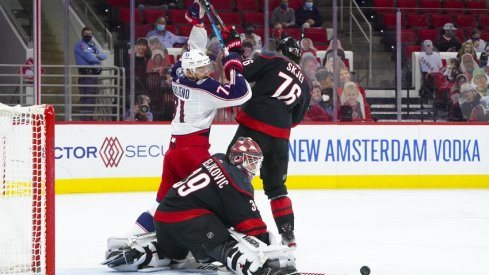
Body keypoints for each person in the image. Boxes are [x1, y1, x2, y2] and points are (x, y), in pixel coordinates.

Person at [128, 1, 253, 235]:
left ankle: (133, 236)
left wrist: (198, 23)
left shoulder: (178, 74)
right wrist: (234, 58)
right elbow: (242, 93)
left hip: (174, 152)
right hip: (193, 152)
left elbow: (192, 51)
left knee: (161, 202)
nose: (209, 71)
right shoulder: (204, 89)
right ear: (195, 72)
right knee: (220, 195)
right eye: (204, 69)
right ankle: (226, 239)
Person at [103, 138, 298, 275]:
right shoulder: (238, 183)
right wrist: (269, 249)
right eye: (252, 162)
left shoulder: (218, 158)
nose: (254, 168)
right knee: (225, 242)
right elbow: (252, 228)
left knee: (178, 253)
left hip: (163, 217)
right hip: (189, 220)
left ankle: (144, 252)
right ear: (239, 159)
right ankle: (256, 268)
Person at [223, 34, 311, 247]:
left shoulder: (273, 58)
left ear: (280, 50)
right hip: (280, 138)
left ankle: (235, 225)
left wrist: (233, 52)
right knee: (277, 188)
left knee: (231, 176)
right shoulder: (306, 84)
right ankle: (288, 235)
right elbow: (296, 119)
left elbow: (240, 69)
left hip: (254, 126)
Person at [74, 26, 107, 121]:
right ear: (82, 34)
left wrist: (94, 55)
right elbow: (90, 58)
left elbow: (104, 56)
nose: (88, 35)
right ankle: (85, 118)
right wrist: (96, 56)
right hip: (86, 75)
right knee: (86, 97)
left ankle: (89, 117)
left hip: (93, 75)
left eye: (90, 34)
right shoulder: (80, 45)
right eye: (86, 34)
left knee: (92, 97)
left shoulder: (92, 45)